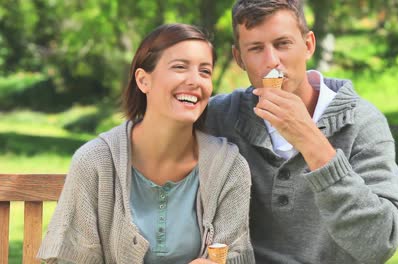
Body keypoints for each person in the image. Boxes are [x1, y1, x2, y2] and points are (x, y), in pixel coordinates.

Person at [204, 0, 398, 263]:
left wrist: (310, 139)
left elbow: (380, 243)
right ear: (239, 58)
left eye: (282, 44)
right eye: (255, 48)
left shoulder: (363, 122)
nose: (272, 62)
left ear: (308, 45)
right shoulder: (220, 116)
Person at [37, 23, 255, 264]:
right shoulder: (96, 162)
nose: (195, 81)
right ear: (143, 81)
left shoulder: (228, 168)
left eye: (205, 71)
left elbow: (234, 257)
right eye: (180, 67)